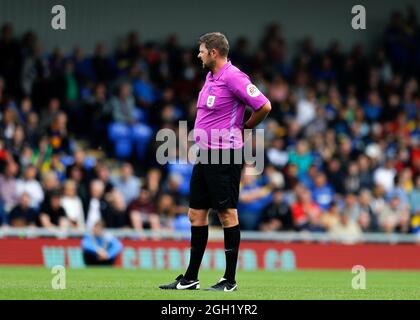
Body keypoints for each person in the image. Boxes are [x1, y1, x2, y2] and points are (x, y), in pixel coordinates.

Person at [160, 32, 271, 291]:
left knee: (226, 213)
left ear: (213, 52)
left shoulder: (233, 76)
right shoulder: (211, 77)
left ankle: (229, 280)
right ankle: (190, 278)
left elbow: (264, 105)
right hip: (205, 154)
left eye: (200, 50)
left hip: (226, 154)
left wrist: (245, 127)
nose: (197, 54)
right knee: (195, 214)